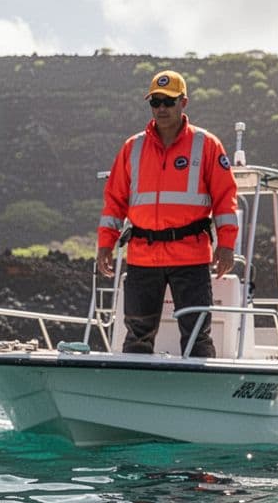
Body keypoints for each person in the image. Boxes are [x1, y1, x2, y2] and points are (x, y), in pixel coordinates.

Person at [96, 69, 239, 356]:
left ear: (183, 103)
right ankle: (135, 395)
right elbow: (114, 201)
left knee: (198, 335)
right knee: (136, 335)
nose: (161, 108)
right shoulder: (132, 147)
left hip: (191, 255)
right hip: (142, 255)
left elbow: (226, 199)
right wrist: (105, 244)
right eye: (155, 101)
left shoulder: (207, 145)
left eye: (168, 101)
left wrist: (226, 245)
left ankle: (202, 395)